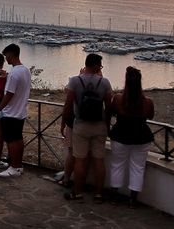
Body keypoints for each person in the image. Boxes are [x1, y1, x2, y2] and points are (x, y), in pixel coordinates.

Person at [63, 53, 113, 202]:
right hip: (99, 125)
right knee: (99, 160)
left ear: (86, 64)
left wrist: (66, 121)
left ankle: (77, 192)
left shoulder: (75, 81)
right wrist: (107, 125)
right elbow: (109, 107)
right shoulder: (105, 82)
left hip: (81, 125)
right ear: (97, 66)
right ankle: (98, 194)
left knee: (80, 160)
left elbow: (68, 104)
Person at [108, 66, 155, 207]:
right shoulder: (147, 102)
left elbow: (110, 113)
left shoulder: (117, 99)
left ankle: (114, 195)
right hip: (141, 137)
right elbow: (150, 116)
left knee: (117, 165)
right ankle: (133, 199)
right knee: (138, 167)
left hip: (120, 135)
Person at [0, 43, 31, 178]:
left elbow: (9, 94)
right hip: (20, 111)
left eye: (6, 56)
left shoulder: (14, 74)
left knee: (11, 140)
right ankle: (18, 165)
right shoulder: (25, 70)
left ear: (11, 54)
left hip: (11, 112)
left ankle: (13, 167)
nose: (5, 59)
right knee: (18, 139)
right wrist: (6, 75)